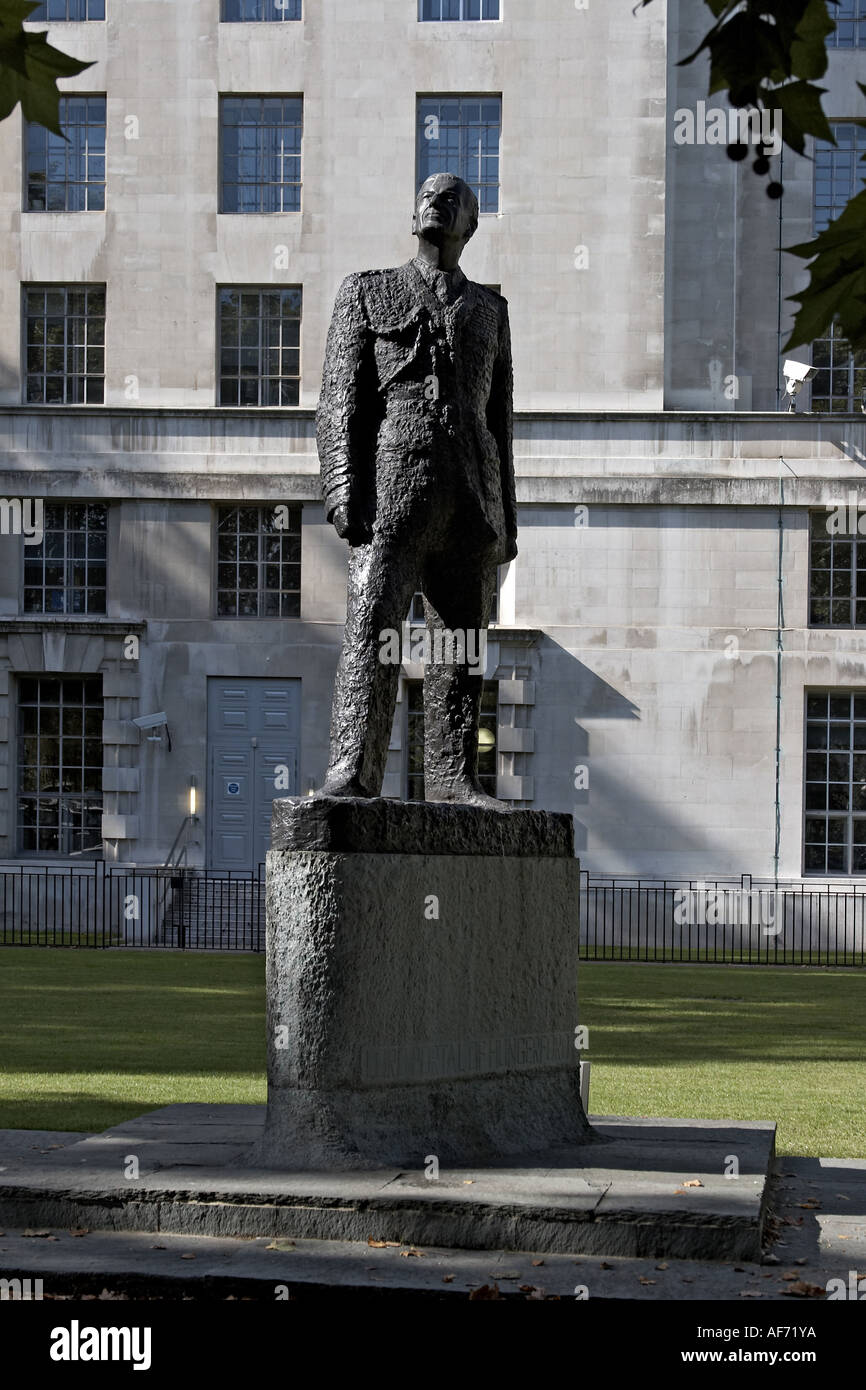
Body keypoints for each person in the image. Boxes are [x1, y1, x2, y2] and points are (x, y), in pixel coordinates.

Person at [315, 172, 517, 805]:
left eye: (454, 198)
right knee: (371, 631)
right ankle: (354, 770)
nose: (439, 200)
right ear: (413, 217)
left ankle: (454, 779)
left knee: (460, 647)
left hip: (472, 503)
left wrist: (507, 519)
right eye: (430, 194)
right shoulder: (366, 293)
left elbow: (500, 420)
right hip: (391, 496)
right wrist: (343, 489)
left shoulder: (491, 310)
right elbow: (338, 402)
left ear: (471, 226)